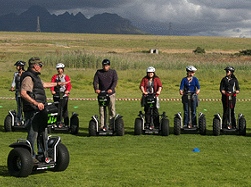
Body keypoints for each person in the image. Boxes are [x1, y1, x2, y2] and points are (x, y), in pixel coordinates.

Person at [20, 57, 69, 161]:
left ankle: (43, 155)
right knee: (33, 134)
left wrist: (58, 84)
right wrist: (36, 103)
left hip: (40, 110)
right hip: (32, 110)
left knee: (43, 132)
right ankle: (30, 157)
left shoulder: (35, 77)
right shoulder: (28, 78)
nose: (41, 67)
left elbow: (43, 85)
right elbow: (23, 93)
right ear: (35, 66)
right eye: (40, 65)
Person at [93, 59, 118, 131]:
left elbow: (115, 81)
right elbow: (95, 81)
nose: (105, 67)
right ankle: (102, 125)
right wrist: (96, 89)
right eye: (104, 66)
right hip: (102, 94)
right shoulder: (99, 72)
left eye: (106, 66)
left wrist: (111, 88)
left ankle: (111, 125)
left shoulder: (113, 72)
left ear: (109, 66)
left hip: (110, 93)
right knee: (101, 110)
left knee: (111, 109)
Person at [50, 63, 72, 127]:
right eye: (58, 69)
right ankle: (57, 122)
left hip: (64, 95)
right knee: (57, 109)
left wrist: (67, 91)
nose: (59, 70)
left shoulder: (66, 77)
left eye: (60, 69)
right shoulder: (55, 77)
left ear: (63, 69)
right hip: (57, 94)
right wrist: (52, 90)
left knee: (64, 109)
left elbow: (69, 85)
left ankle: (66, 123)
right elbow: (52, 84)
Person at [10, 60, 26, 125]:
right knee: (19, 106)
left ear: (21, 67)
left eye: (17, 66)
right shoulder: (16, 74)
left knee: (24, 106)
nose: (16, 67)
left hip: (25, 92)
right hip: (18, 92)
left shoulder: (25, 74)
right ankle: (19, 120)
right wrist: (12, 87)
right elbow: (14, 81)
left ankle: (26, 119)